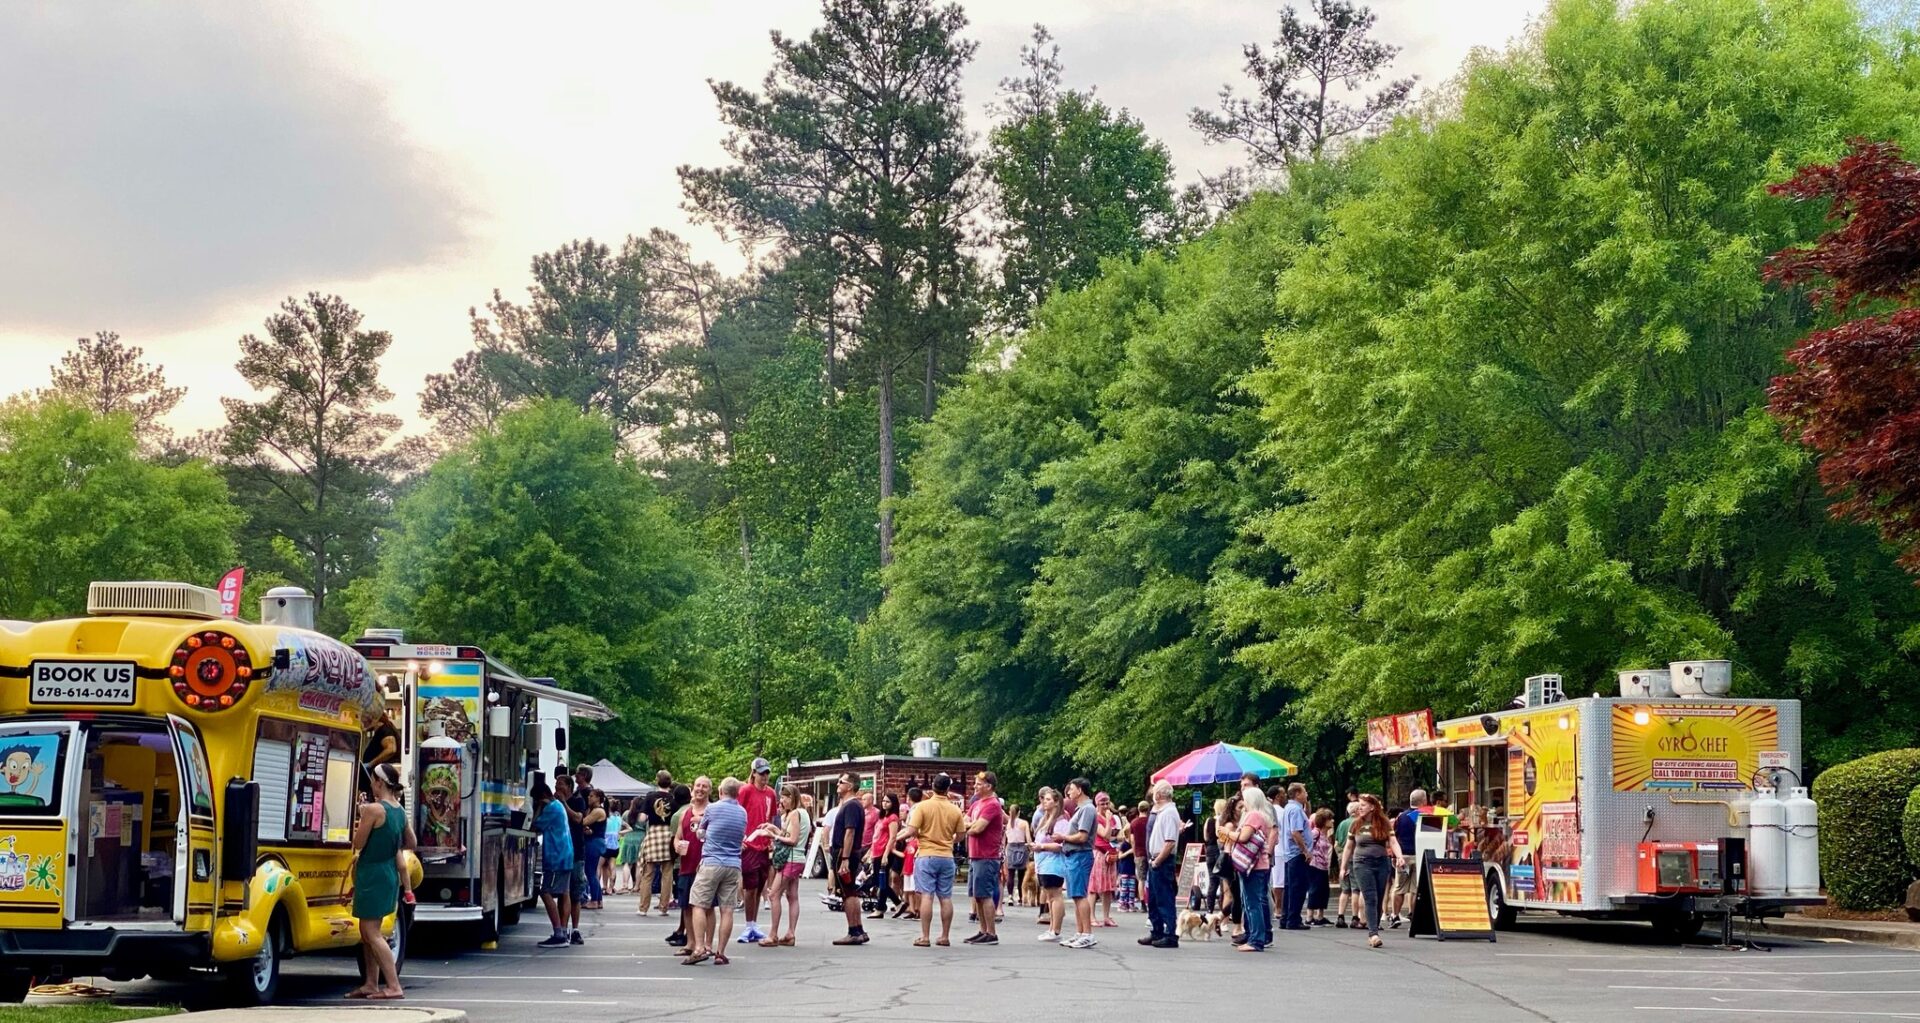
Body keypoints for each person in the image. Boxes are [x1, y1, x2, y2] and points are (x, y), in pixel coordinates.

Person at [348, 763, 414, 997]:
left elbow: (358, 842)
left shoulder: (375, 810)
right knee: (368, 931)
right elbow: (411, 843)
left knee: (371, 932)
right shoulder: (398, 811)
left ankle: (393, 985)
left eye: (373, 780)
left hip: (372, 873)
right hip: (388, 871)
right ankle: (371, 982)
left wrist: (362, 816)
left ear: (379, 782)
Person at [685, 776, 748, 966]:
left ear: (721, 792)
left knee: (698, 904)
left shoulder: (712, 809)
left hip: (712, 861)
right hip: (733, 864)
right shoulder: (742, 812)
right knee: (727, 909)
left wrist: (700, 829)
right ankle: (720, 952)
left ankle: (699, 948)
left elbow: (701, 832)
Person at [901, 772, 964, 947]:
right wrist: (949, 840)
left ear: (932, 787)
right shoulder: (955, 809)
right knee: (945, 897)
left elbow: (912, 830)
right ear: (948, 789)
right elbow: (960, 835)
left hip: (926, 854)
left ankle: (925, 936)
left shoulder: (923, 807)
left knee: (927, 896)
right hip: (946, 856)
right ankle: (944, 936)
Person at [1341, 793, 1405, 948]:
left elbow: (1393, 841)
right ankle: (1373, 933)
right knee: (1370, 897)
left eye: (1362, 805)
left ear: (1372, 807)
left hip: (1381, 862)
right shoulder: (1355, 824)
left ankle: (1374, 928)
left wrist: (1400, 856)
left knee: (1379, 895)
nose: (1359, 808)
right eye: (1359, 805)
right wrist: (1343, 866)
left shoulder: (1383, 823)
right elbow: (1349, 847)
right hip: (1362, 863)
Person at [756, 783, 809, 947]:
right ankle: (791, 933)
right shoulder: (803, 813)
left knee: (774, 895)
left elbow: (791, 840)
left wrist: (773, 836)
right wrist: (775, 830)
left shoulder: (793, 814)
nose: (782, 802)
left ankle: (773, 934)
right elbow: (793, 835)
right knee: (792, 896)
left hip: (790, 859)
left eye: (784, 798)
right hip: (799, 858)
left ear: (792, 797)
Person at [1225, 784, 1275, 952]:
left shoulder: (1253, 815)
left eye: (1244, 799)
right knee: (1253, 902)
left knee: (1252, 903)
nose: (1242, 802)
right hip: (1257, 865)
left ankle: (1256, 940)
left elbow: (1244, 837)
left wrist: (1226, 833)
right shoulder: (1261, 815)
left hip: (1253, 866)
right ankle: (1257, 936)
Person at [737, 758, 778, 945]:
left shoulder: (770, 793)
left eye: (767, 773)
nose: (765, 777)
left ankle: (753, 924)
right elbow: (738, 813)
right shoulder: (745, 790)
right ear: (753, 773)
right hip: (749, 843)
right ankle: (748, 924)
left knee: (761, 883)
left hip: (763, 843)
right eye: (761, 773)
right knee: (750, 885)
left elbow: (772, 817)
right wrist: (740, 839)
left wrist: (772, 838)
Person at [961, 771, 1006, 944]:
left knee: (985, 894)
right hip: (975, 855)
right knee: (977, 895)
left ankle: (992, 933)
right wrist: (970, 825)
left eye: (979, 784)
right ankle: (983, 929)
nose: (975, 786)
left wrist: (970, 826)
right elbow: (963, 821)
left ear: (988, 786)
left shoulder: (993, 805)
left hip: (987, 856)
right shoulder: (977, 804)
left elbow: (978, 828)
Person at [531, 778, 575, 949]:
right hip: (566, 854)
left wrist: (539, 808)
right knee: (564, 892)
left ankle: (558, 933)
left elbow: (535, 825)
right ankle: (563, 931)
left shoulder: (549, 808)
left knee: (545, 891)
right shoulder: (559, 806)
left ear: (541, 797)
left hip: (556, 856)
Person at [828, 772, 871, 945]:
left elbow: (850, 832)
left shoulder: (852, 806)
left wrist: (844, 858)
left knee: (848, 892)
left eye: (841, 782)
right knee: (849, 890)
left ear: (850, 786)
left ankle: (854, 931)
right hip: (847, 853)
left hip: (846, 853)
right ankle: (859, 930)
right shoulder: (850, 805)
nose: (838, 784)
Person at [1138, 779, 1182, 949]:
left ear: (1160, 794)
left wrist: (1157, 861)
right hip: (1155, 859)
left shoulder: (1170, 812)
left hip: (1162, 860)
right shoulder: (1161, 811)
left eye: (1155, 791)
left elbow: (1170, 842)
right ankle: (1157, 931)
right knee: (1154, 898)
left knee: (1164, 898)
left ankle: (1170, 934)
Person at [1058, 778, 1099, 949]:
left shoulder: (1087, 809)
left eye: (1071, 789)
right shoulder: (1081, 809)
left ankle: (1087, 933)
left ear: (1080, 790)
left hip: (1080, 855)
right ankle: (1080, 932)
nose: (1068, 792)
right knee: (1076, 895)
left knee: (1080, 895)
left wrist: (1063, 837)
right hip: (1074, 855)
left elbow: (1082, 836)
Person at [669, 779, 708, 949]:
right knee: (685, 906)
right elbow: (677, 836)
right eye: (698, 786)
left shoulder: (711, 811)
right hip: (685, 865)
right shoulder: (685, 813)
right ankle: (690, 943)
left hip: (705, 867)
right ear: (692, 790)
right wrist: (677, 845)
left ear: (709, 791)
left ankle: (706, 945)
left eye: (704, 786)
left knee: (705, 907)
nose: (700, 789)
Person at [1391, 788, 1432, 928]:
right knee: (1415, 889)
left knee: (1399, 887)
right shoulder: (1426, 816)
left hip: (1403, 856)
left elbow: (1395, 837)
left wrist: (1395, 855)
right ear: (1424, 801)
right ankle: (1414, 916)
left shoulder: (1401, 817)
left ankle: (1395, 915)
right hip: (1420, 855)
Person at [555, 775, 588, 944]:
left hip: (576, 852)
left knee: (575, 894)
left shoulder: (578, 800)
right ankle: (562, 928)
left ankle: (575, 929)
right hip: (560, 852)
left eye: (560, 784)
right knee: (562, 893)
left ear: (569, 786)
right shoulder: (555, 802)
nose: (557, 786)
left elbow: (578, 818)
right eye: (556, 784)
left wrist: (563, 803)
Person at [637, 774, 676, 916]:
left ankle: (643, 908)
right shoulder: (673, 798)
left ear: (656, 781)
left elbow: (642, 819)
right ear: (670, 783)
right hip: (669, 835)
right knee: (667, 874)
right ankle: (663, 907)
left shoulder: (650, 796)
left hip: (654, 834)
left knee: (648, 874)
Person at [1030, 788, 1065, 940]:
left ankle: (1056, 930)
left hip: (1053, 863)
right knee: (1050, 897)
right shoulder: (1045, 819)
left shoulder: (1061, 822)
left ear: (1057, 802)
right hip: (1043, 862)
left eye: (1048, 799)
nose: (1044, 801)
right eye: (1044, 799)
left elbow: (1060, 845)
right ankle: (1051, 928)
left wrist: (1042, 847)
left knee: (1055, 895)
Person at [1278, 782, 1312, 931]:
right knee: (1298, 888)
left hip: (1289, 854)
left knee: (1289, 887)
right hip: (1296, 854)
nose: (1306, 794)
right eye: (1304, 792)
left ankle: (1286, 917)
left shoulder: (1289, 808)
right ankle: (1294, 919)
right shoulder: (1296, 810)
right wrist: (1305, 850)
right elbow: (1295, 832)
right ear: (1297, 794)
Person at [866, 792, 902, 919]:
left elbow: (892, 838)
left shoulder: (893, 818)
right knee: (879, 881)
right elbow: (876, 836)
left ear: (893, 804)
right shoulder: (882, 817)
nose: (885, 803)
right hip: (876, 851)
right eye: (884, 801)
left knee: (880, 880)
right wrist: (869, 852)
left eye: (888, 802)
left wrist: (886, 854)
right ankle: (894, 904)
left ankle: (883, 907)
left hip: (884, 852)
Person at [1089, 792, 1120, 928]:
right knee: (1094, 887)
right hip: (1099, 853)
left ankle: (1106, 916)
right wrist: (1107, 821)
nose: (1105, 806)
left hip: (1110, 853)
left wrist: (1114, 835)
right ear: (1097, 804)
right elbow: (1105, 834)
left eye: (1107, 803)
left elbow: (1117, 836)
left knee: (1108, 887)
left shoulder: (1113, 818)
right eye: (1102, 803)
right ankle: (1091, 916)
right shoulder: (1095, 818)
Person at [581, 787, 609, 910]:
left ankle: (594, 900)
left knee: (590, 872)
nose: (589, 797)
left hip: (594, 843)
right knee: (592, 872)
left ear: (598, 798)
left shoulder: (597, 811)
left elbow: (583, 822)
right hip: (596, 841)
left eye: (591, 796)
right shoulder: (596, 810)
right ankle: (598, 900)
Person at [1334, 800, 1361, 928]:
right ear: (1356, 811)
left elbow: (1337, 842)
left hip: (1342, 858)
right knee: (1356, 888)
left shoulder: (1342, 824)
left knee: (1345, 889)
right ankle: (1355, 917)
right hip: (1354, 857)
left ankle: (1340, 916)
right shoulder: (1358, 823)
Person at [1306, 807, 1334, 925]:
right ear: (1323, 821)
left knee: (1323, 890)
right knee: (1314, 889)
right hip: (1314, 865)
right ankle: (1309, 916)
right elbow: (1307, 845)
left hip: (1323, 866)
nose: (1332, 821)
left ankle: (1320, 915)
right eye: (1329, 819)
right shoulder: (1315, 833)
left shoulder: (1325, 834)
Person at [616, 796, 645, 894]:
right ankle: (637, 886)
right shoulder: (644, 815)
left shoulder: (626, 814)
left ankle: (624, 885)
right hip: (641, 838)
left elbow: (621, 826)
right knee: (638, 864)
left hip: (628, 839)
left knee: (627, 863)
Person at [1005, 804, 1030, 907]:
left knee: (1010, 874)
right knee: (1021, 875)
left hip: (1010, 847)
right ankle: (1020, 897)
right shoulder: (1024, 823)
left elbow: (1005, 838)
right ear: (1019, 812)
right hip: (1021, 848)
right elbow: (1028, 838)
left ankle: (1010, 896)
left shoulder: (1007, 824)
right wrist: (1031, 847)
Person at [1129, 801, 1151, 908]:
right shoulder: (1151, 821)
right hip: (1150, 852)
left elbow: (1132, 840)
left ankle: (1142, 902)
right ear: (1148, 810)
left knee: (1141, 879)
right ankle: (1151, 900)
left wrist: (1134, 854)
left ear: (1138, 809)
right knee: (1151, 877)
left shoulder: (1134, 823)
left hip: (1139, 853)